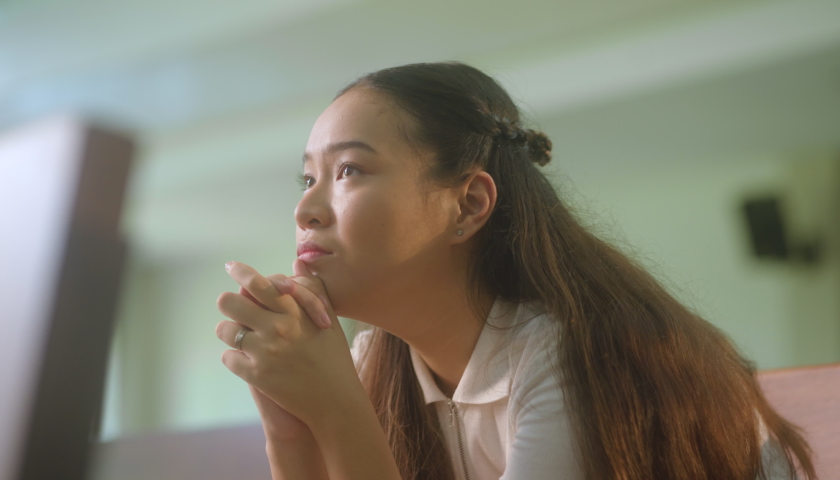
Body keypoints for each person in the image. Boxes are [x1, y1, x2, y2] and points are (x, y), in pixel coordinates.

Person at [214, 62, 815, 480]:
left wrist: (335, 408)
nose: (305, 209)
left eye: (348, 171)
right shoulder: (383, 362)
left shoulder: (572, 352)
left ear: (469, 204)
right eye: (308, 178)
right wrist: (289, 423)